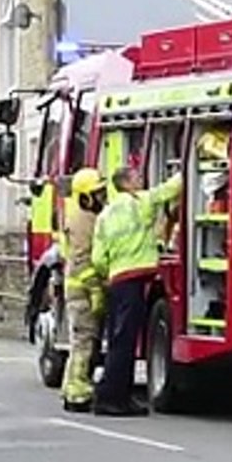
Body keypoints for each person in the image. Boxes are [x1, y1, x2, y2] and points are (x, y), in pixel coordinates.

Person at [89, 165, 183, 417]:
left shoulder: (105, 214)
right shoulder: (138, 203)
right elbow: (170, 190)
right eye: (137, 177)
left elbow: (97, 257)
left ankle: (112, 395)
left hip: (117, 280)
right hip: (134, 280)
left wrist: (110, 271)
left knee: (119, 340)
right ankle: (114, 400)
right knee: (126, 343)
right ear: (127, 184)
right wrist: (188, 166)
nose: (141, 180)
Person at [59, 168, 110, 412]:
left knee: (87, 341)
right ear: (84, 196)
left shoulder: (87, 215)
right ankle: (76, 393)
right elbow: (81, 259)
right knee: (83, 342)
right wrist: (95, 290)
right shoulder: (80, 220)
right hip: (82, 291)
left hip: (85, 290)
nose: (102, 197)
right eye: (97, 193)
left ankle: (75, 387)